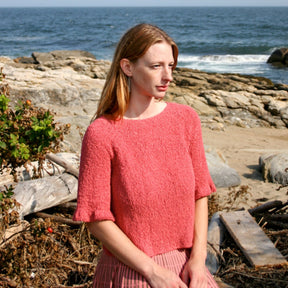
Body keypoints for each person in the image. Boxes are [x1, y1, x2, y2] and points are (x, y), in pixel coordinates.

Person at [73, 23, 219, 288]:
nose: (168, 76)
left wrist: (199, 259)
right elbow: (96, 219)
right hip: (130, 271)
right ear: (128, 67)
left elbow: (201, 194)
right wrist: (152, 271)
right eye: (156, 67)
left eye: (171, 66)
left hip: (189, 268)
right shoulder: (102, 133)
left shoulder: (186, 120)